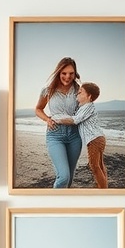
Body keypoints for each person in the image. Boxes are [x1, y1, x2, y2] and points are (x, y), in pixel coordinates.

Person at [35, 57, 82, 188]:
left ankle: (64, 206)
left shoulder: (79, 90)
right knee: (63, 176)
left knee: (69, 178)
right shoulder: (48, 90)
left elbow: (85, 111)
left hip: (75, 136)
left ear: (75, 73)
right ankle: (52, 204)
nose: (68, 77)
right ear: (58, 73)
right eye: (64, 73)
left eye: (71, 73)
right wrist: (47, 119)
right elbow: (38, 109)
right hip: (55, 135)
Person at [58, 82, 108, 188]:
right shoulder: (83, 107)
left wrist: (57, 120)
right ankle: (102, 186)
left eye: (80, 92)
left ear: (89, 96)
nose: (77, 94)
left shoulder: (88, 106)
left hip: (94, 139)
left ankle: (103, 190)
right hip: (97, 138)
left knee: (94, 166)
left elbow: (75, 120)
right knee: (99, 165)